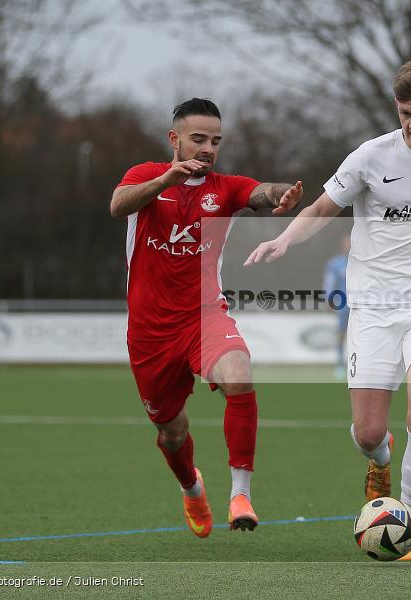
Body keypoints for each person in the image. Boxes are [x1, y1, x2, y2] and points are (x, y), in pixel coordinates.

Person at [245, 60, 411, 560]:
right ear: (397, 109)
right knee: (368, 434)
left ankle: (406, 519)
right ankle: (380, 461)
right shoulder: (370, 157)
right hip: (372, 308)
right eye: (406, 113)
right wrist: (283, 240)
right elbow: (322, 208)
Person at [110, 98, 303, 539]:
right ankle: (192, 486)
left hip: (204, 316)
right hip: (150, 333)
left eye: (215, 141)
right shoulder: (144, 177)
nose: (207, 148)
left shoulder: (225, 186)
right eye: (198, 139)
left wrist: (280, 194)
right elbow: (118, 205)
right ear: (174, 140)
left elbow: (260, 192)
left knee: (239, 373)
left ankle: (241, 493)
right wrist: (164, 180)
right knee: (171, 433)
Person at [323, 235, 351, 380]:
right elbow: (329, 282)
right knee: (341, 335)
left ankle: (355, 365)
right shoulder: (335, 263)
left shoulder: (361, 261)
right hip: (343, 306)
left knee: (358, 337)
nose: (348, 245)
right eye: (346, 243)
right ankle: (340, 365)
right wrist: (329, 299)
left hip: (359, 306)